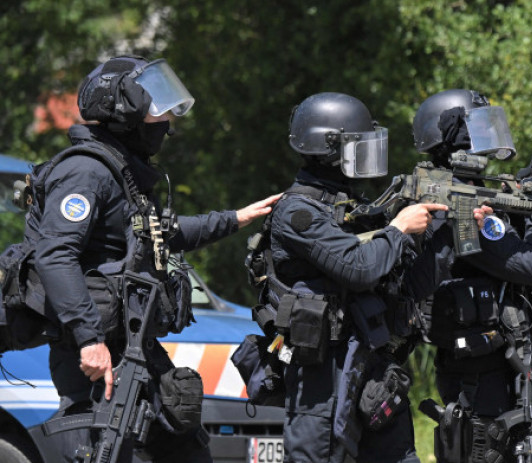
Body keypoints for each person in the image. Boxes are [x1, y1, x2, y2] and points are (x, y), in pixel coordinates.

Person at [29, 55, 280, 463]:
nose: (166, 123)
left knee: (183, 444)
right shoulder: (85, 172)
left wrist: (237, 218)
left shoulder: (124, 172)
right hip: (93, 354)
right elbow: (55, 255)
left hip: (132, 345)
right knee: (107, 450)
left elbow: (162, 234)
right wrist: (89, 339)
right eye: (155, 111)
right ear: (125, 114)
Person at [269, 92, 446, 463]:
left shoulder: (355, 211)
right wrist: (398, 229)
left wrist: (445, 231)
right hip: (323, 378)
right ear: (331, 150)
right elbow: (359, 267)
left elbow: (411, 285)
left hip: (372, 369)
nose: (367, 156)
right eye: (358, 146)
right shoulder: (298, 213)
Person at [409, 89, 532, 462]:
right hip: (480, 375)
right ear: (454, 138)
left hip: (478, 367)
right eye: (476, 127)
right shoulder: (461, 206)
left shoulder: (451, 196)